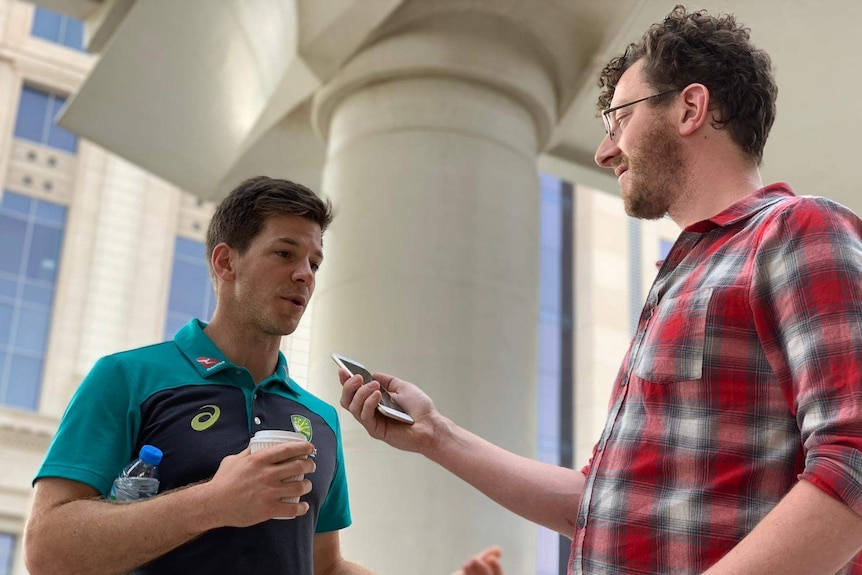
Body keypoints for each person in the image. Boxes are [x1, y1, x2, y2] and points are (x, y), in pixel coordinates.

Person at [339, 5, 862, 575]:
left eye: (618, 121)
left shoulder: (798, 230)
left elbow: (853, 459)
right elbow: (598, 506)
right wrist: (435, 435)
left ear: (690, 108)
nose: (604, 150)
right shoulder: (676, 281)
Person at [23, 176, 503, 575]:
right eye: (285, 254)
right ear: (225, 261)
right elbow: (47, 550)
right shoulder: (126, 378)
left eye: (314, 262)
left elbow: (326, 567)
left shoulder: (319, 417)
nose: (306, 274)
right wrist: (214, 502)